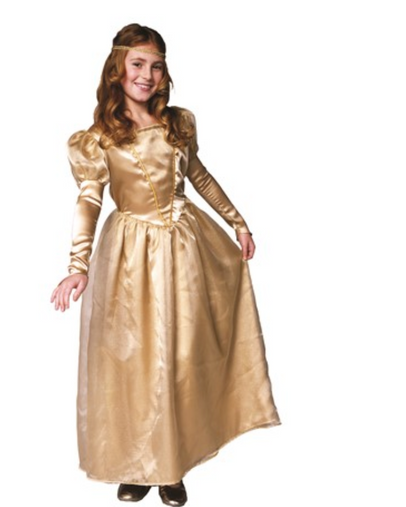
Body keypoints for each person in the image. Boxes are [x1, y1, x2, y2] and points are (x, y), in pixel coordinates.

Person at [51, 23, 280, 506]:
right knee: (135, 360)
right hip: (131, 257)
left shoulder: (178, 124)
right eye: (137, 64)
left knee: (180, 358)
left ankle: (172, 464)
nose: (147, 75)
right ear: (117, 70)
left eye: (156, 66)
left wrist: (238, 222)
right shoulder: (99, 138)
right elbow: (89, 199)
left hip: (186, 251)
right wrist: (77, 264)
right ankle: (138, 464)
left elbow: (200, 176)